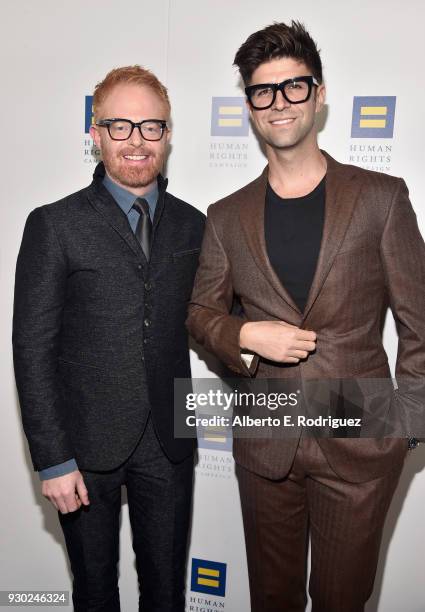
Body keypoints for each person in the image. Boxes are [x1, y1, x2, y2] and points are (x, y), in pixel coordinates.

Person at [186, 21, 425, 612]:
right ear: (249, 107)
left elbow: (419, 322)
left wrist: (406, 427)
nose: (280, 103)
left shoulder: (381, 197)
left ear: (318, 95)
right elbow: (199, 313)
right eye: (264, 91)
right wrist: (243, 333)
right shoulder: (226, 214)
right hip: (266, 436)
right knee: (271, 599)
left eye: (294, 87)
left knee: (343, 601)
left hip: (361, 439)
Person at [13, 65, 205, 612]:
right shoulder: (54, 224)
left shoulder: (196, 225)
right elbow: (32, 349)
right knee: (95, 593)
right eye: (120, 126)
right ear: (96, 134)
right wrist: (52, 459)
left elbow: (217, 317)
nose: (137, 141)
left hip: (170, 440)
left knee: (166, 592)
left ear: (167, 135)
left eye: (151, 126)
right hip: (83, 449)